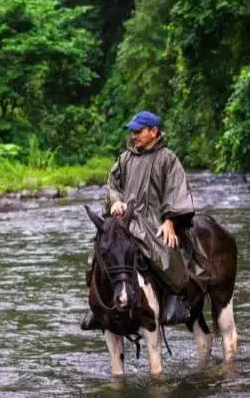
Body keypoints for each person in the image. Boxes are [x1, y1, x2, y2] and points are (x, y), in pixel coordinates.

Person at [81, 111, 208, 330]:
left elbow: (177, 191)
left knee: (164, 253)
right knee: (99, 251)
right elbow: (112, 185)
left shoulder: (168, 158)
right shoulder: (124, 159)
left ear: (153, 131)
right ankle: (98, 306)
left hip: (155, 219)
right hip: (125, 218)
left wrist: (170, 220)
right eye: (132, 132)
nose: (134, 136)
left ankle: (176, 299)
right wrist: (115, 203)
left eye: (138, 131)